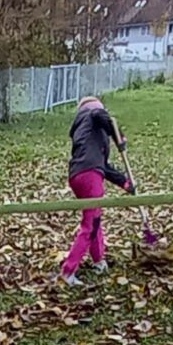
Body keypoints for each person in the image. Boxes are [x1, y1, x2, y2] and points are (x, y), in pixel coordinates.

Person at [62, 95, 135, 283]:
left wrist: (125, 183)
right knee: (90, 225)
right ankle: (68, 271)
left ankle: (98, 260)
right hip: (89, 176)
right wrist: (119, 135)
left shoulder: (86, 130)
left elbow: (103, 165)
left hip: (79, 175)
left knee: (94, 219)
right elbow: (101, 115)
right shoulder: (93, 114)